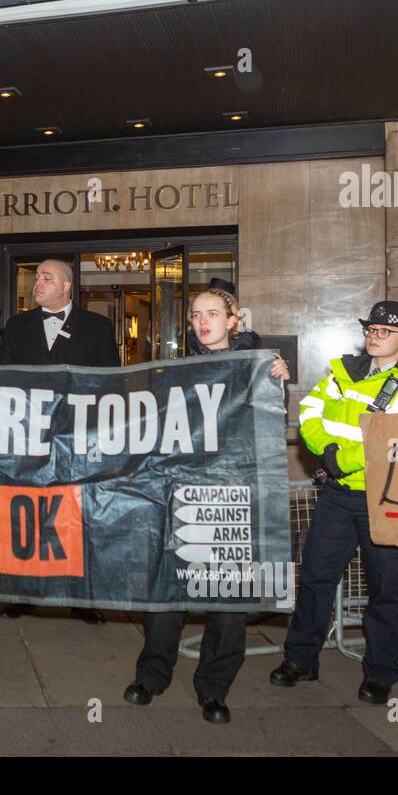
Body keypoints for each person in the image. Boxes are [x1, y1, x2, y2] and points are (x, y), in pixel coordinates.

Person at [124, 285, 289, 723]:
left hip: (233, 500)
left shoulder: (262, 367)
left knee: (228, 606)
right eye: (196, 314)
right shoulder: (177, 370)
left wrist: (278, 384)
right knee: (166, 595)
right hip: (181, 497)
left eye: (212, 313)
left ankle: (214, 689)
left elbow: (271, 429)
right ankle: (152, 676)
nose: (202, 321)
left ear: (234, 320)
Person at [270, 301, 398, 702]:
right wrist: (324, 449)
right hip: (338, 497)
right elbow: (311, 412)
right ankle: (300, 659)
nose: (374, 336)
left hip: (387, 499)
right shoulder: (341, 372)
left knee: (387, 588)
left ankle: (380, 672)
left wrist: (338, 459)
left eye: (385, 331)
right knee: (315, 579)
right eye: (371, 329)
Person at [0, 259, 118, 624]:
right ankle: (24, 592)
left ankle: (79, 596)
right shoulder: (17, 326)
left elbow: (109, 382)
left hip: (76, 440)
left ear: (66, 286)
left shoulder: (96, 327)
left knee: (75, 518)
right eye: (36, 277)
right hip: (29, 438)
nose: (37, 283)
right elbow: (2, 378)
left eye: (46, 278)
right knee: (27, 515)